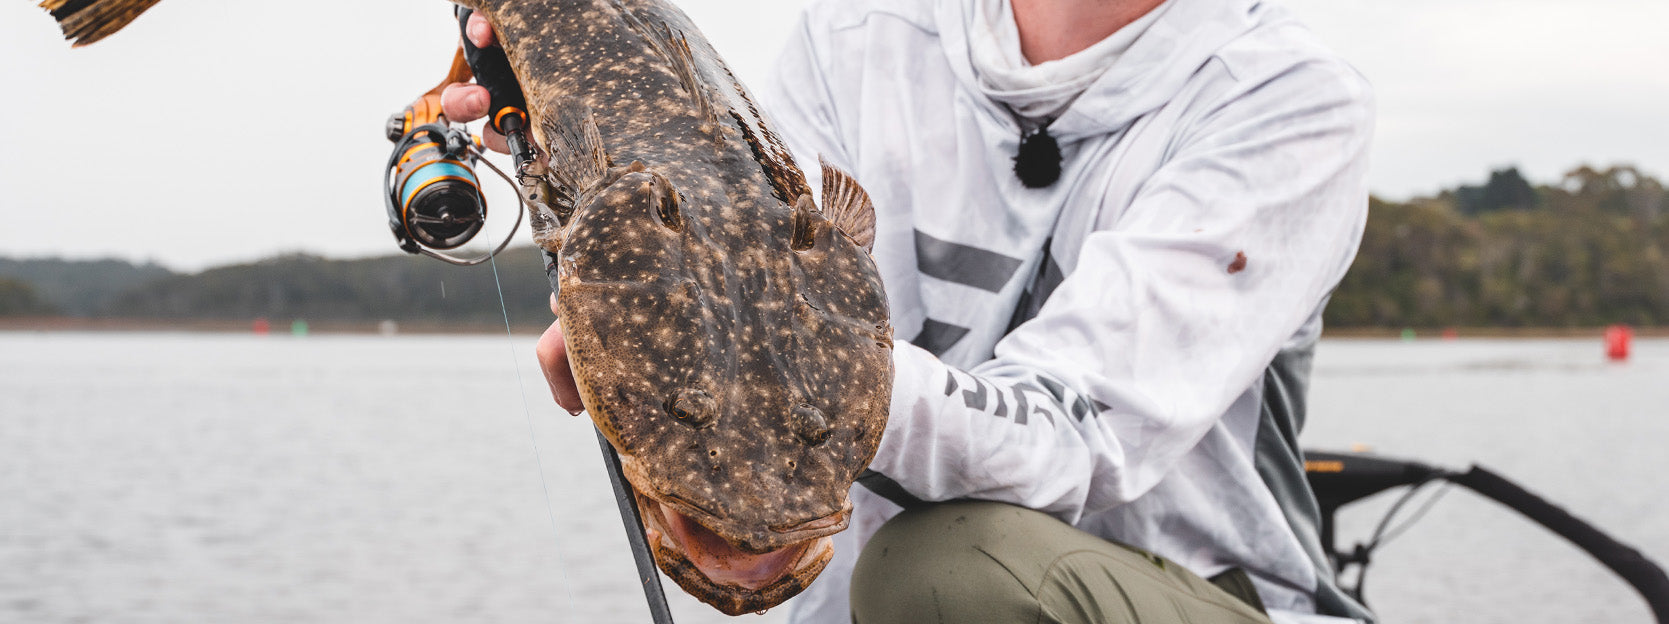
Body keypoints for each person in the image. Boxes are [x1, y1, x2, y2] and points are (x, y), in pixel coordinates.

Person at [446, 0, 1375, 620]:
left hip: (1193, 589)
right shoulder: (854, 37)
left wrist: (741, 370)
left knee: (944, 570)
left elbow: (1068, 441)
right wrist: (566, 150)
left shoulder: (1287, 100)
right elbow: (737, 253)